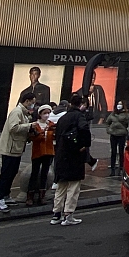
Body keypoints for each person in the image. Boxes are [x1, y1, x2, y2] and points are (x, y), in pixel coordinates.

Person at [52, 93, 91, 226]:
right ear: (81, 105)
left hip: (61, 155)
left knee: (61, 186)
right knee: (73, 186)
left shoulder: (63, 118)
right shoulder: (79, 116)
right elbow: (84, 129)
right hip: (74, 156)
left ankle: (56, 214)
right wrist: (83, 145)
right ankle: (68, 214)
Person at [0, 92, 35, 212]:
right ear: (27, 101)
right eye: (32, 102)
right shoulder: (17, 112)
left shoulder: (23, 113)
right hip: (10, 148)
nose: (33, 105)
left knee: (12, 172)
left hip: (16, 148)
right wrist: (30, 126)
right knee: (6, 174)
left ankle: (6, 195)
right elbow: (13, 128)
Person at [26, 104, 56, 206]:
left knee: (45, 174)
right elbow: (32, 138)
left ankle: (42, 196)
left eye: (48, 113)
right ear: (40, 114)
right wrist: (41, 135)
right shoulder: (35, 125)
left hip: (49, 152)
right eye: (44, 113)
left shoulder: (51, 125)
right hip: (37, 152)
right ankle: (30, 196)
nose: (47, 115)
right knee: (34, 173)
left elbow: (54, 138)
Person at [105, 101, 129, 176]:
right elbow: (107, 122)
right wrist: (109, 130)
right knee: (113, 152)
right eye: (118, 104)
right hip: (113, 135)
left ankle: (121, 168)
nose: (119, 106)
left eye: (121, 104)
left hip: (121, 135)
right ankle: (113, 169)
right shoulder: (113, 114)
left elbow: (128, 124)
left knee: (121, 152)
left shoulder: (126, 115)